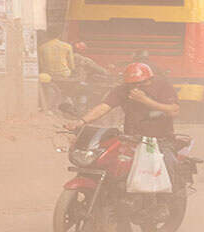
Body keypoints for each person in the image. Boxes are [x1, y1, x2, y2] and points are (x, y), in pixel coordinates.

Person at [66, 63, 182, 191]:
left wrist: (145, 100)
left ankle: (168, 202)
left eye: (142, 83)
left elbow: (174, 111)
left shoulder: (162, 86)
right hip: (131, 139)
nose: (136, 87)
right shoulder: (122, 90)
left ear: (150, 79)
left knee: (168, 167)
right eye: (132, 84)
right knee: (110, 164)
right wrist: (82, 121)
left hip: (160, 140)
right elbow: (104, 107)